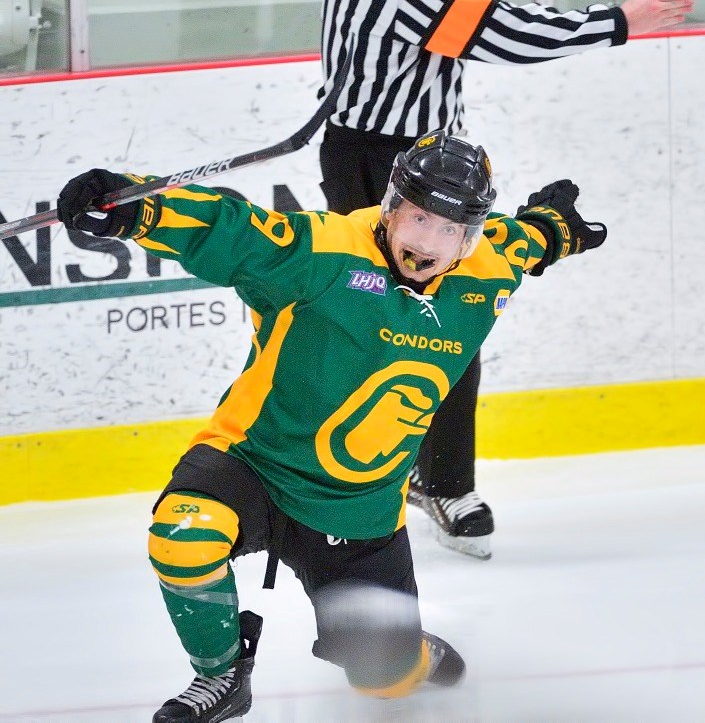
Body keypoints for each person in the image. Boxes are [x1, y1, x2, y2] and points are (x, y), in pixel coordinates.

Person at [55, 132, 608, 723]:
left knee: (385, 681)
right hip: (256, 462)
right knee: (183, 537)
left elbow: (531, 238)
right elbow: (234, 231)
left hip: (360, 509)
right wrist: (139, 209)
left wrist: (558, 228)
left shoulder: (488, 267)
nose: (427, 240)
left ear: (470, 234)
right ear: (393, 204)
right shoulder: (325, 249)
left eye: (449, 229)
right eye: (418, 217)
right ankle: (220, 676)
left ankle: (407, 661)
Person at [316, 0, 693, 560]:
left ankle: (413, 478)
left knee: (382, 319)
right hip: (403, 174)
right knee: (438, 317)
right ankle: (432, 482)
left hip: (367, 154)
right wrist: (620, 22)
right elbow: (506, 34)